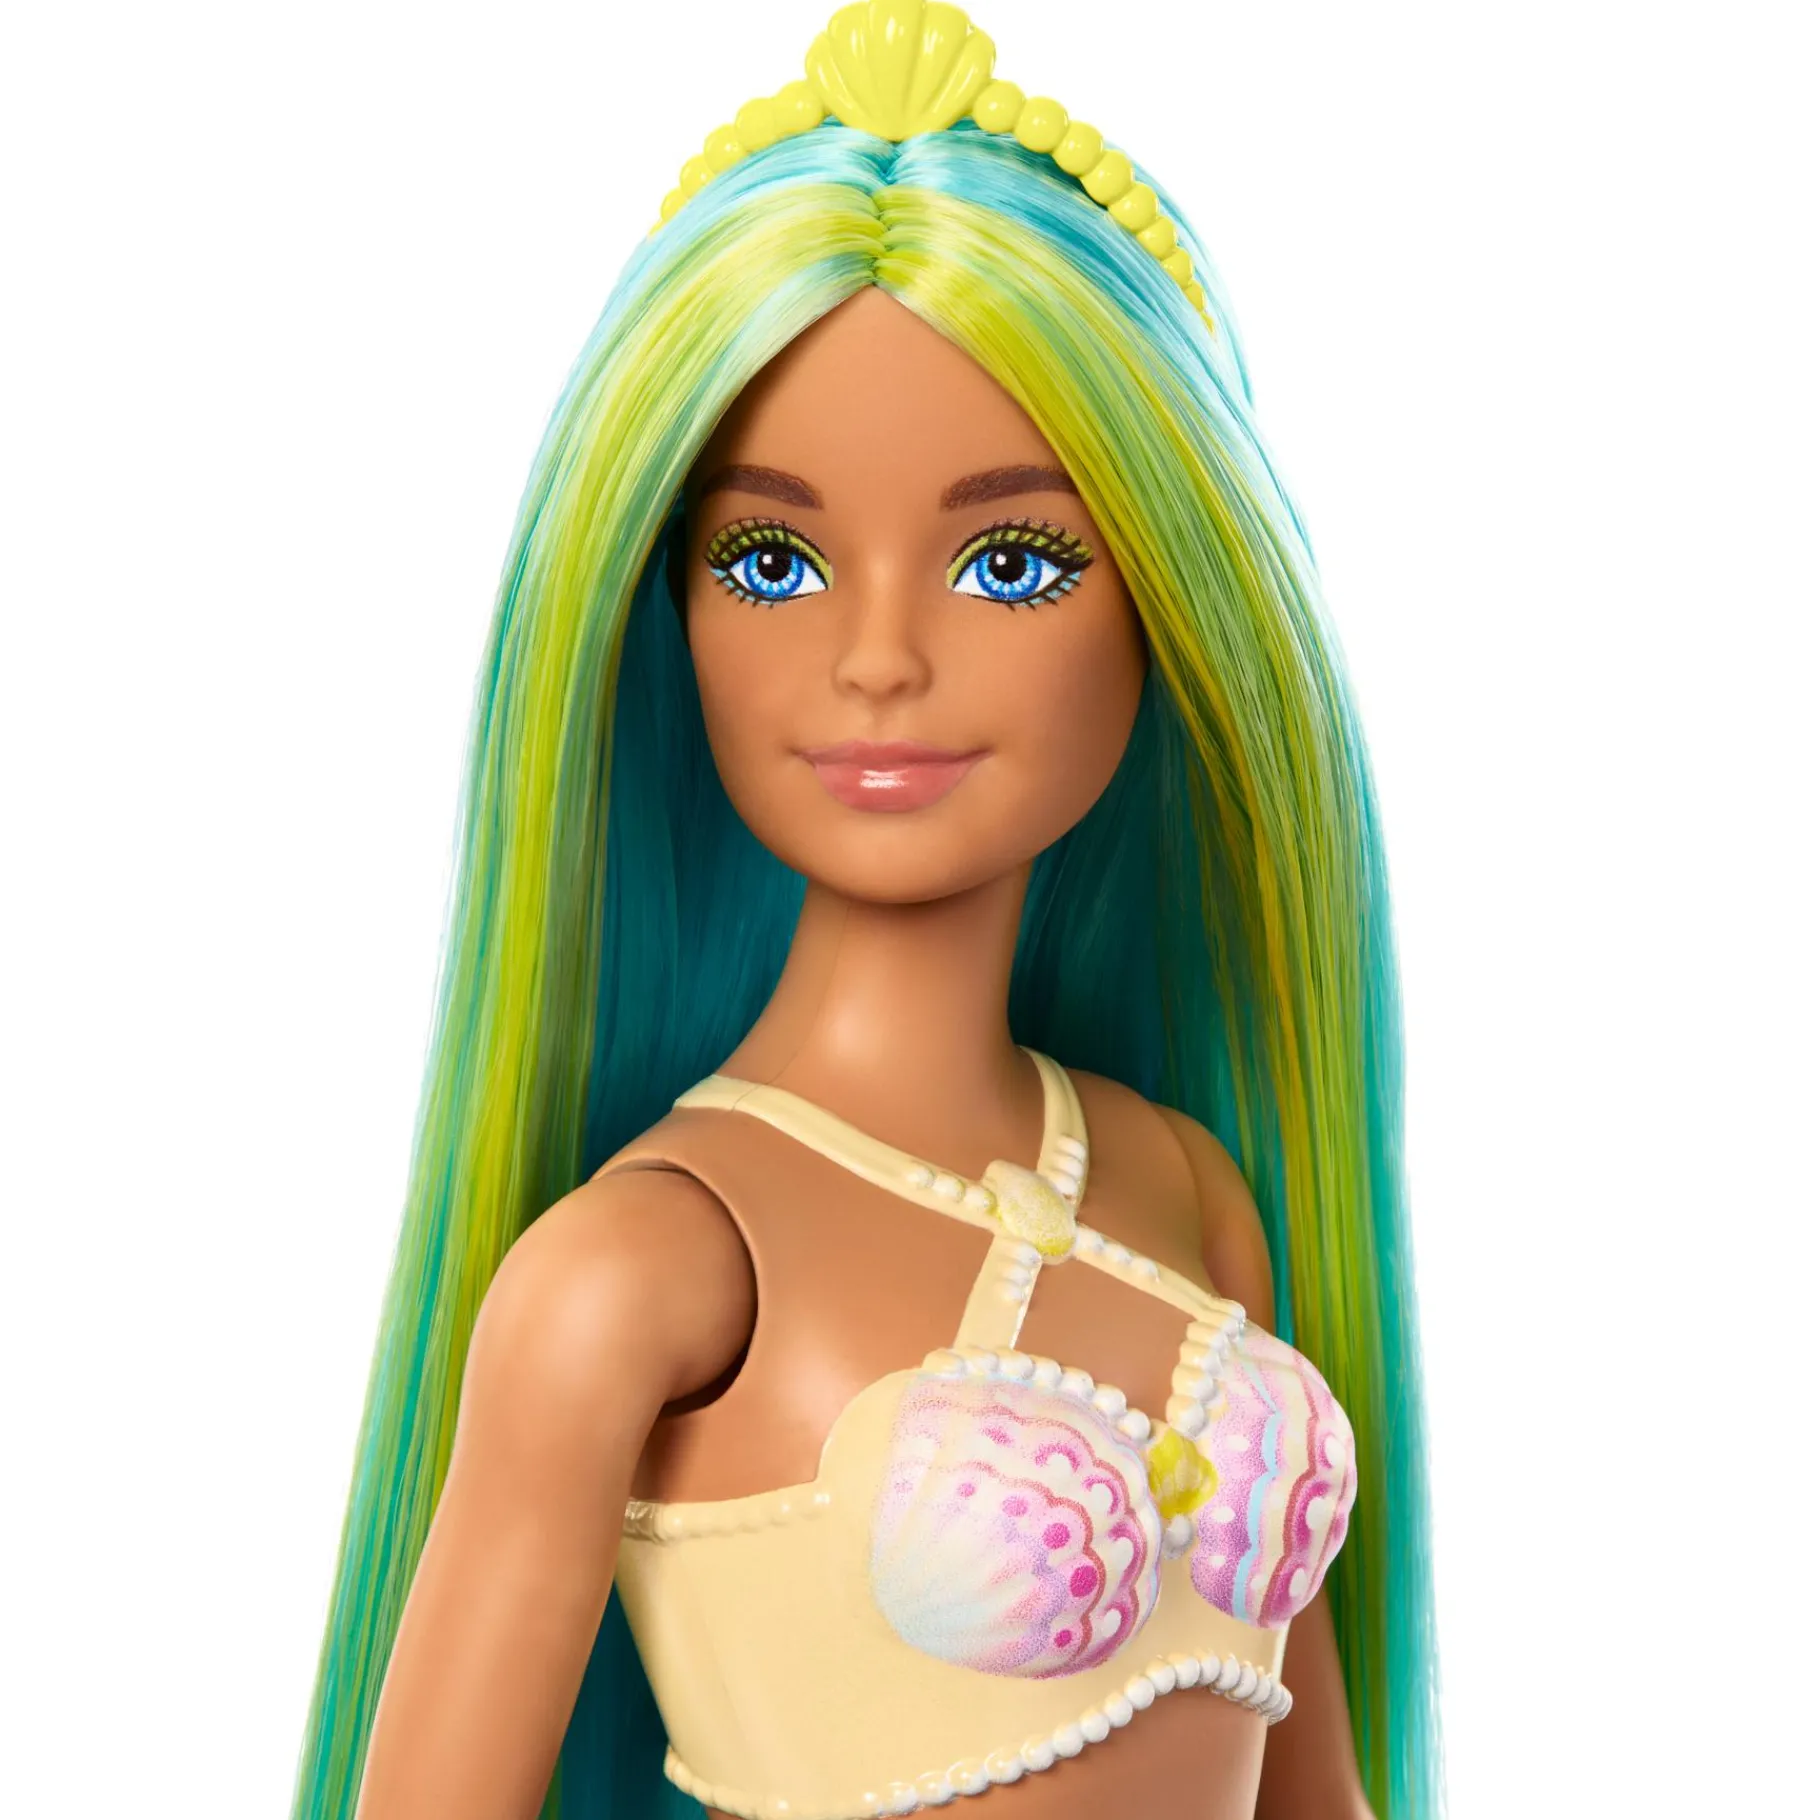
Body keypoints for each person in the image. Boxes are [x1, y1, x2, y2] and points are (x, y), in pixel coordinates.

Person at [293, 6, 1439, 1817]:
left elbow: (1317, 1793)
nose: (881, 657)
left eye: (1013, 562)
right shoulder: (648, 1268)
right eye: (771, 562)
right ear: (661, 614)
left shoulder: (1183, 1184)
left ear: (1173, 603)